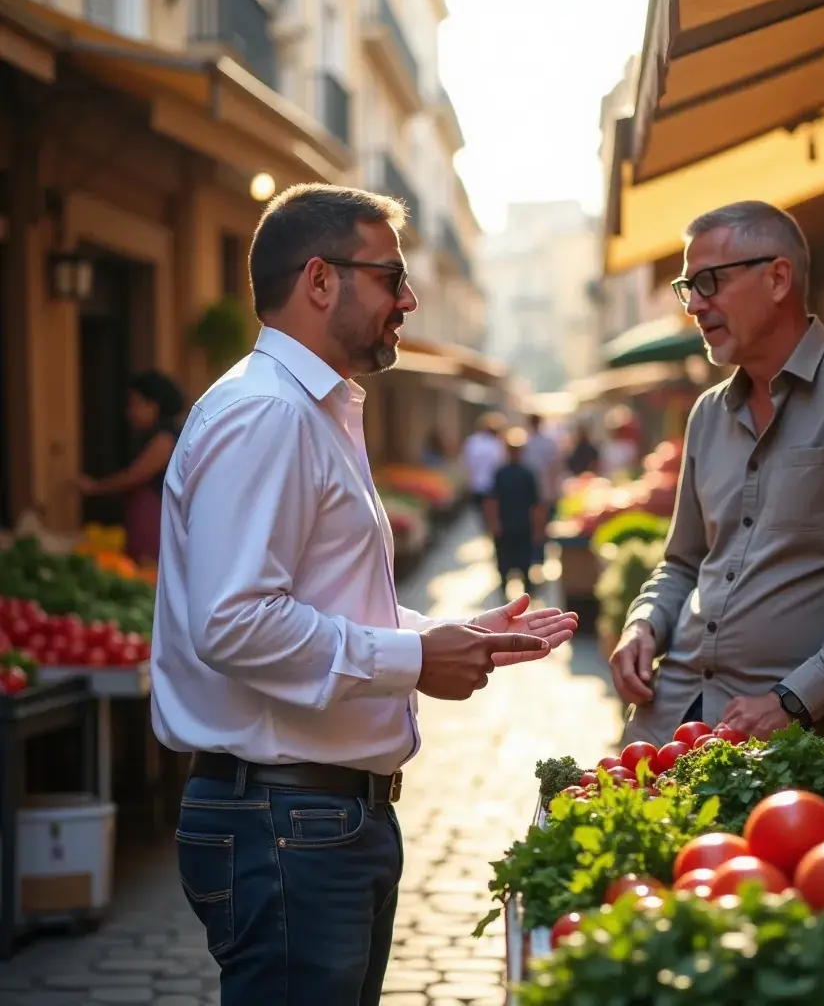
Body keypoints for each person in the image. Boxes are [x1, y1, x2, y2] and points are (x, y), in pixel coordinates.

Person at [149, 183, 579, 1006]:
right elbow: (234, 623)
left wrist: (445, 633)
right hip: (287, 822)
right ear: (319, 280)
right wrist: (413, 657)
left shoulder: (311, 411)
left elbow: (316, 598)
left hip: (316, 821)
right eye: (390, 276)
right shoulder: (267, 412)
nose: (409, 299)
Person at [609, 200, 824, 747]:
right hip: (663, 722)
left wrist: (796, 697)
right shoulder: (707, 414)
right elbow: (682, 563)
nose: (694, 304)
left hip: (790, 741)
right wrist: (643, 623)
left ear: (778, 278)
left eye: (710, 282)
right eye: (687, 286)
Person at [76, 370, 185, 563]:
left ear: (153, 405)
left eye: (134, 404)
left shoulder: (165, 439)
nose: (129, 412)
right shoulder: (151, 437)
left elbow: (135, 476)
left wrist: (95, 488)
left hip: (156, 527)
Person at [486, 427, 547, 596]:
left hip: (515, 525)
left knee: (515, 562)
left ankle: (520, 593)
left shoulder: (508, 473)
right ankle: (520, 593)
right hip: (515, 525)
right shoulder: (521, 473)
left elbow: (492, 501)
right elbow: (493, 501)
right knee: (515, 562)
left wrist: (493, 523)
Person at [520, 413, 562, 565]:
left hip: (537, 492)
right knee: (540, 525)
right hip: (542, 491)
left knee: (537, 525)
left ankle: (537, 555)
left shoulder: (528, 443)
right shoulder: (542, 443)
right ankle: (538, 554)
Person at [461, 413, 506, 521]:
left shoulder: (472, 442)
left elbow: (465, 464)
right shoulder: (496, 444)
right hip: (490, 486)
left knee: (481, 515)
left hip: (478, 486)